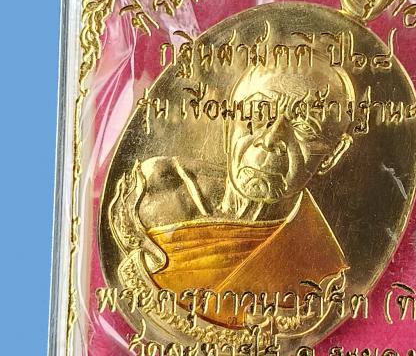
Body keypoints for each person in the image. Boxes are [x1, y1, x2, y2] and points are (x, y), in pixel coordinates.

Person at [110, 57, 356, 328]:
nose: (270, 140)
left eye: (305, 128)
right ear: (229, 120)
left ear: (332, 155)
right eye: (258, 113)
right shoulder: (150, 192)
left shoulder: (319, 271)